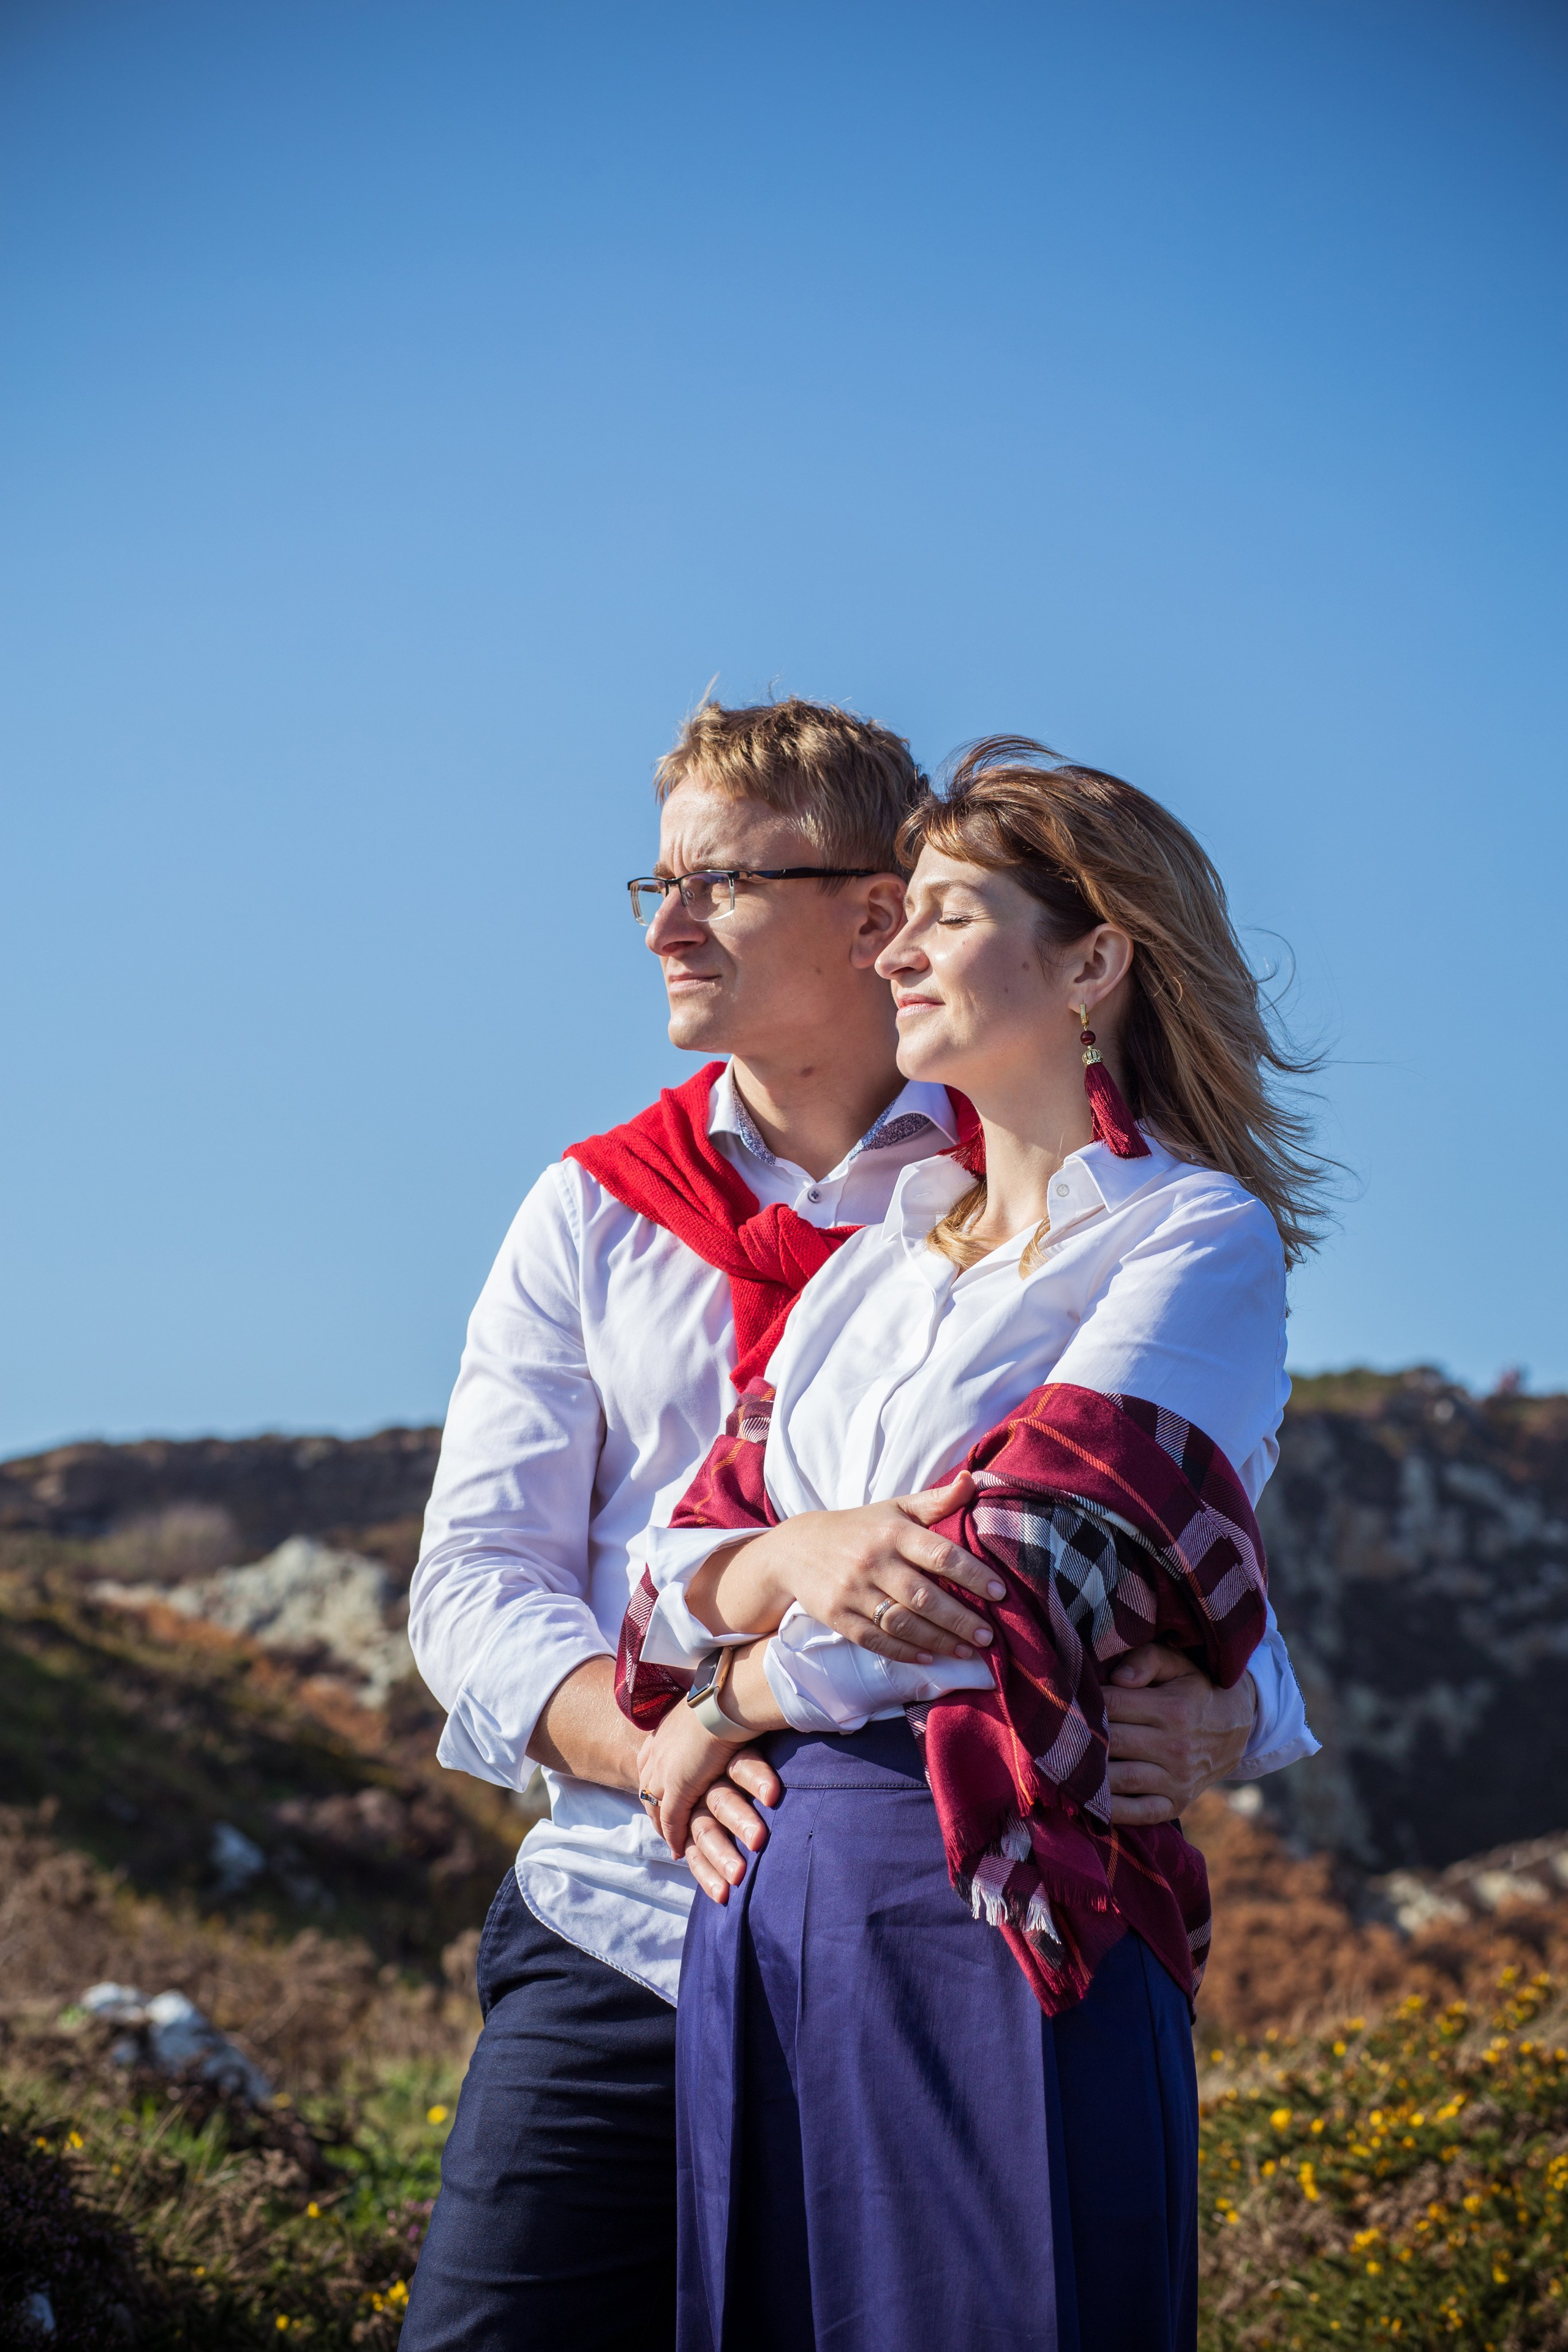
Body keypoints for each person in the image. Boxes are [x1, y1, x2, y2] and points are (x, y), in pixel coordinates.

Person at [402, 705, 1314, 2352]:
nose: (667, 925)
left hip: (951, 1891)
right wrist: (663, 1735)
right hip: (625, 1921)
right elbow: (493, 1579)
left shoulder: (1049, 1198)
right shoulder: (599, 1210)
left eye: (723, 883)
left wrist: (1241, 1704)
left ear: (872, 906)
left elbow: (1137, 1536)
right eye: (653, 885)